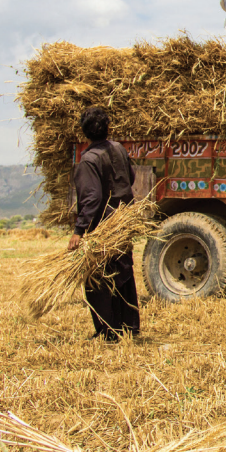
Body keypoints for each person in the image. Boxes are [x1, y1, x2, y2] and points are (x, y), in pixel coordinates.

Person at [68, 106, 140, 342]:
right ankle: (129, 327)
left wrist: (79, 230)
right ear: (107, 128)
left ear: (84, 132)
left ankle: (108, 331)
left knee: (98, 276)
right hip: (123, 220)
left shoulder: (89, 159)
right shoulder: (118, 148)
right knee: (123, 272)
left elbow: (92, 198)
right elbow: (130, 177)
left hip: (104, 226)